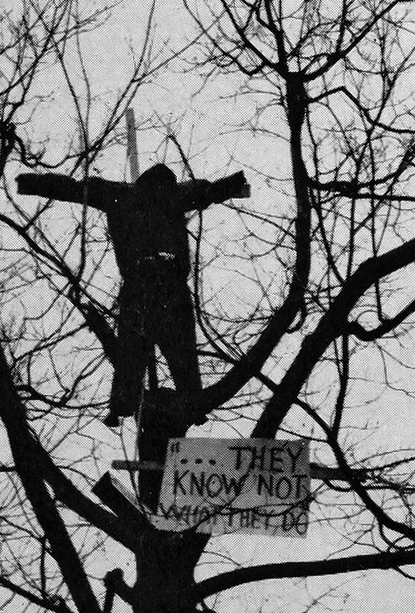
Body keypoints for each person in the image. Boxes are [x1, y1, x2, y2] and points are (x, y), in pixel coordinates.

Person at [16, 162, 250, 424]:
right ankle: (192, 403)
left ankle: (123, 402)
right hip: (171, 284)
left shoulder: (120, 194)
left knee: (132, 349)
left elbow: (72, 189)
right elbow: (208, 191)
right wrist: (235, 184)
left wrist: (31, 183)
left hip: (138, 283)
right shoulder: (175, 194)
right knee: (182, 351)